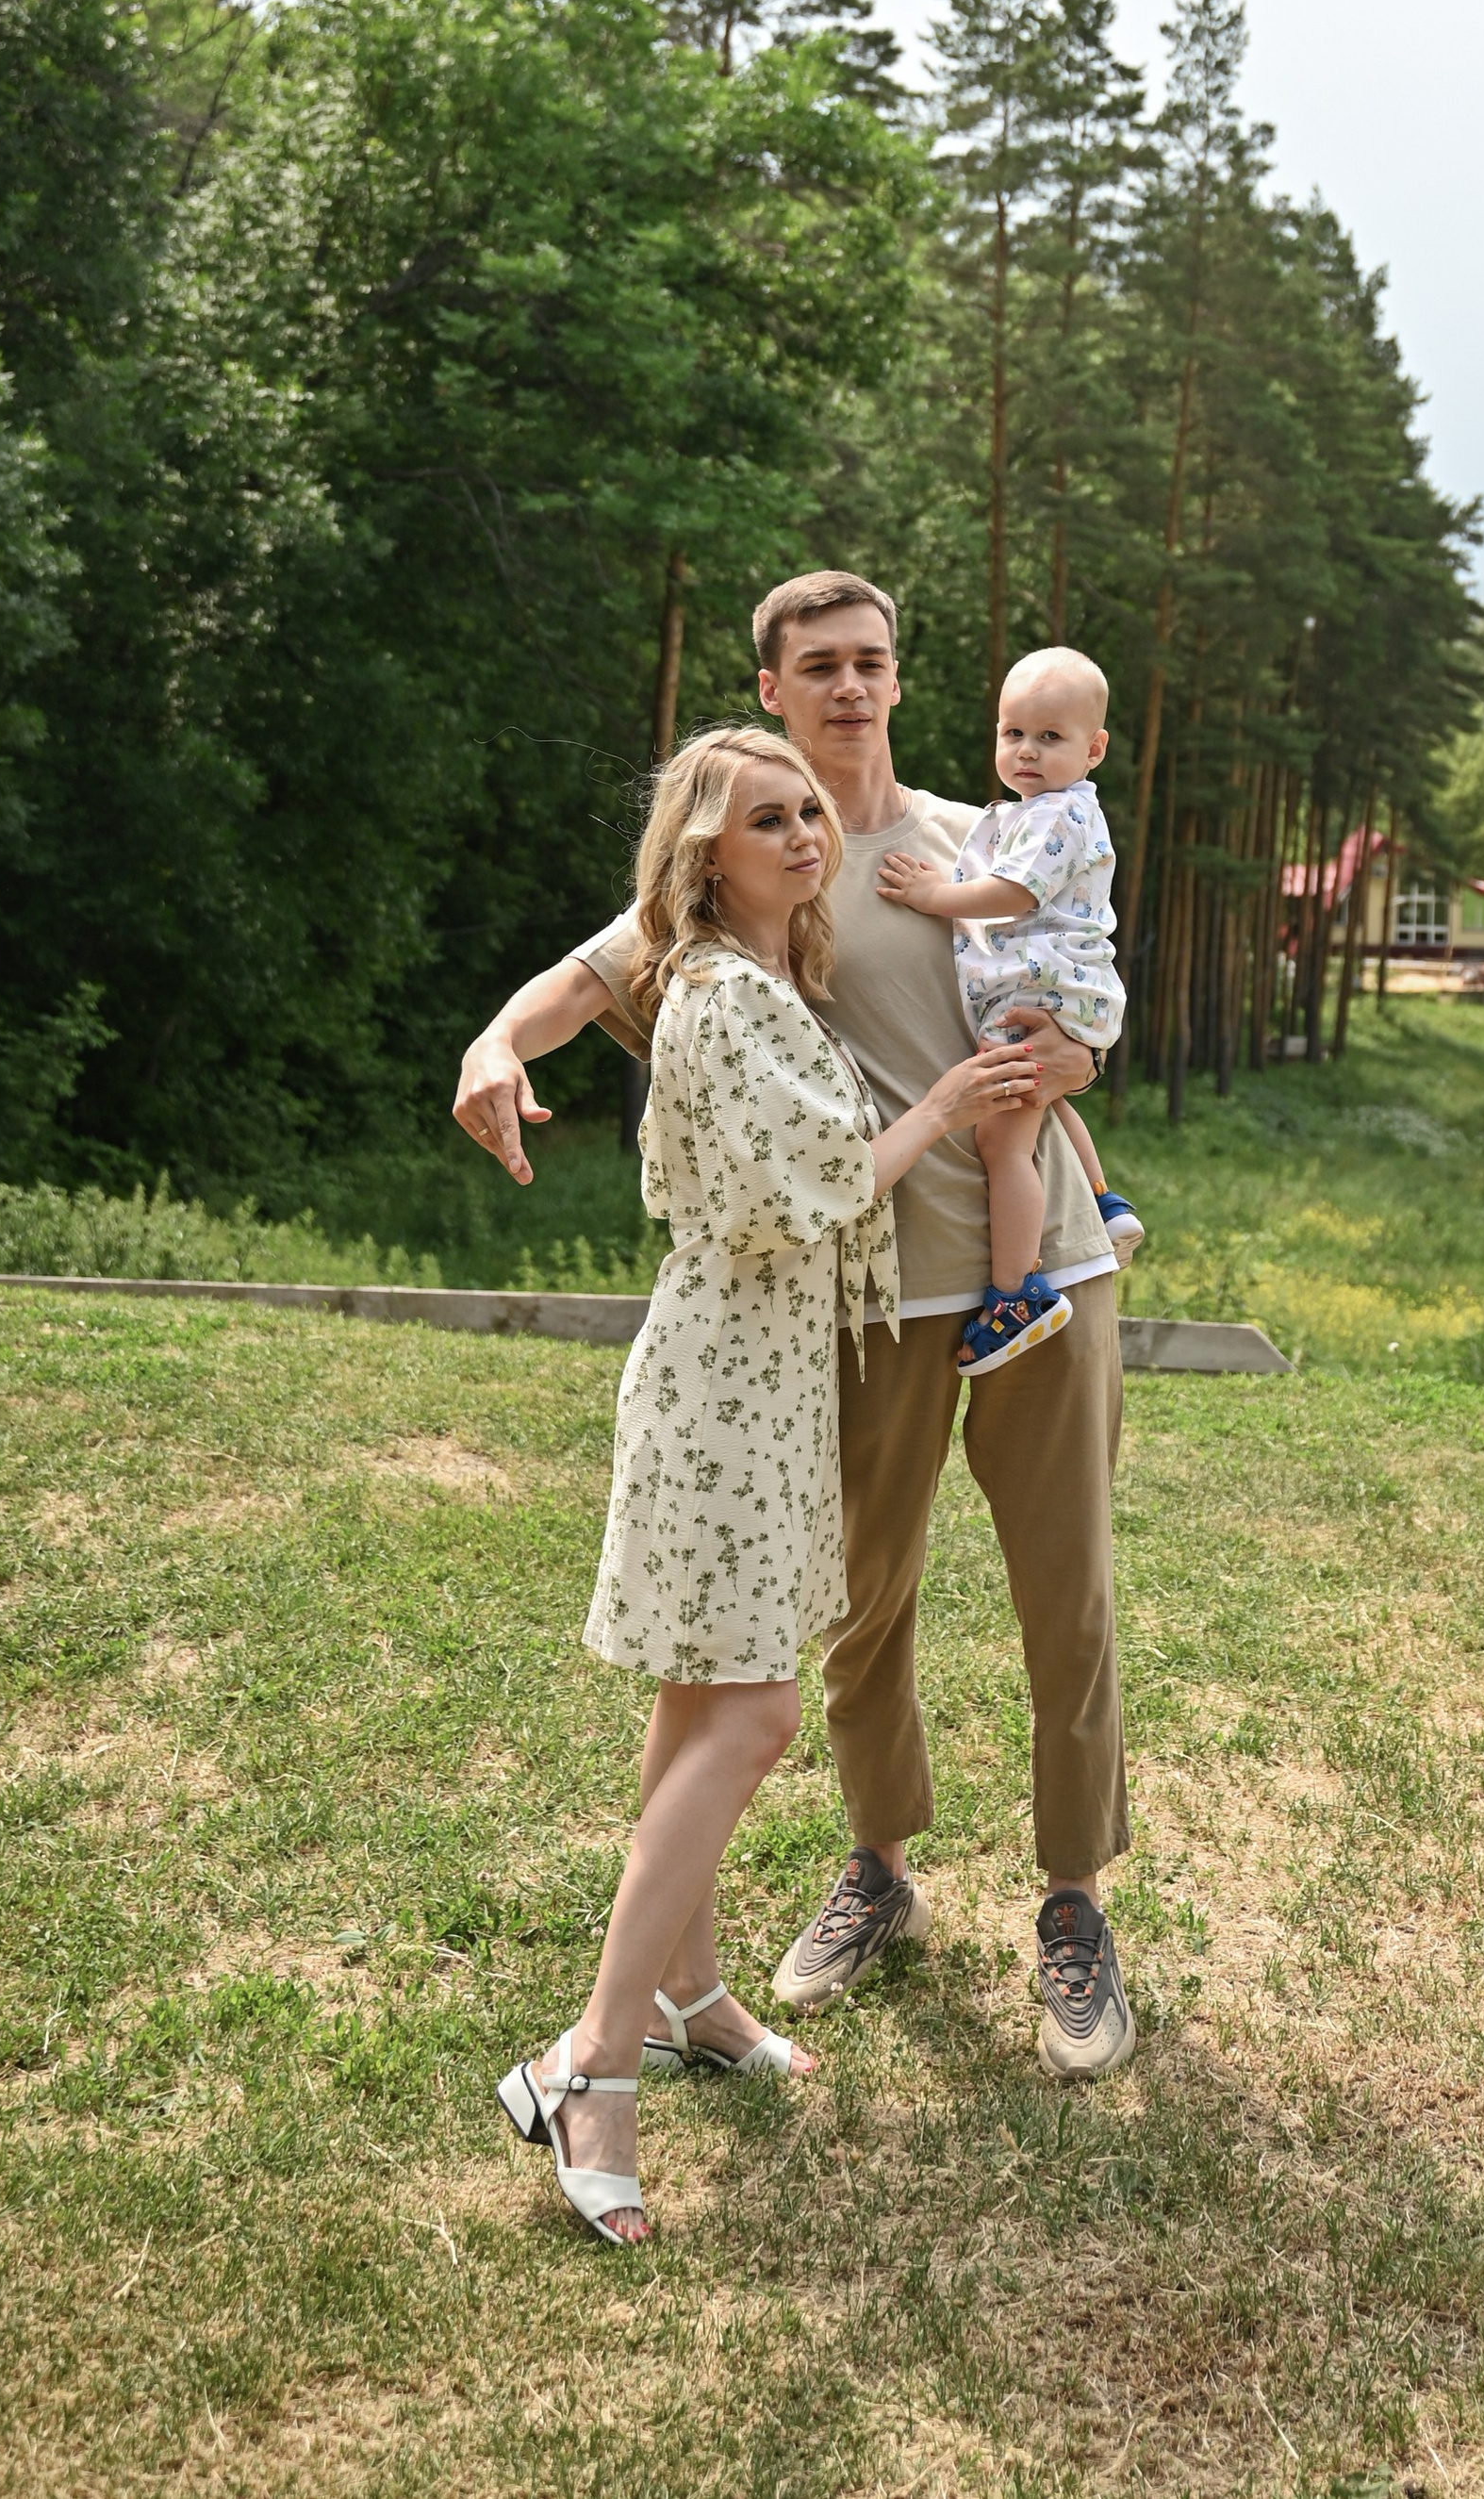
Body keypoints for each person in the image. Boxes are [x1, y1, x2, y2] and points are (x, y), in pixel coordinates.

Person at [454, 571, 1142, 2086]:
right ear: (770, 687)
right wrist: (492, 1040)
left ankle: (1075, 1905)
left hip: (1047, 1275)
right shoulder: (756, 859)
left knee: (1066, 1596)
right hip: (870, 1295)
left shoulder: (985, 834)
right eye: (817, 664)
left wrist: (1081, 1054)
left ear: (903, 678)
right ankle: (877, 1868)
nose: (850, 686)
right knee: (860, 1605)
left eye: (873, 661)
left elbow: (1083, 982)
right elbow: (591, 976)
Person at [494, 721, 1039, 2248]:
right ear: (704, 859)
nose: (806, 836)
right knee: (754, 1710)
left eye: (810, 813)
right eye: (767, 821)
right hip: (726, 1387)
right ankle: (591, 2066)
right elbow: (810, 1191)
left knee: (695, 1696)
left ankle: (690, 1994)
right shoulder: (723, 998)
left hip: (759, 1378)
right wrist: (943, 1110)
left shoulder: (763, 985)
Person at [876, 642, 1144, 1381]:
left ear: (1094, 749)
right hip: (1056, 993)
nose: (1027, 751)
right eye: (1013, 732)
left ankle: (1017, 1290)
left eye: (1050, 738)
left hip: (1039, 994)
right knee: (1042, 1108)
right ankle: (1103, 1197)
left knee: (1002, 1143)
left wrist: (934, 895)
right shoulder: (1042, 809)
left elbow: (1012, 895)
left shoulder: (1056, 817)